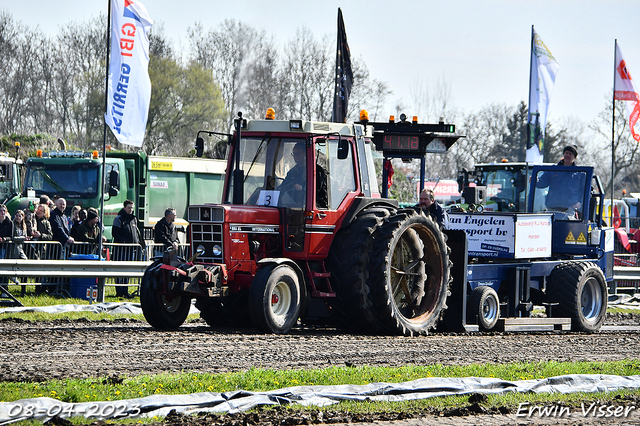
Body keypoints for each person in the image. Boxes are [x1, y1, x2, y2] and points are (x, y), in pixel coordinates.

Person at [535, 145, 583, 213]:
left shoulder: (580, 173)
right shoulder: (553, 170)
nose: (568, 155)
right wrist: (535, 180)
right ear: (563, 154)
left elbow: (585, 190)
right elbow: (543, 182)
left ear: (574, 157)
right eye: (566, 153)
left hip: (569, 210)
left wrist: (580, 202)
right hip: (552, 208)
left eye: (570, 154)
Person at [112, 200, 144, 298]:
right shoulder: (118, 219)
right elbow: (115, 233)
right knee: (119, 270)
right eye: (129, 207)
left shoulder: (134, 219)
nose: (131, 210)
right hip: (121, 250)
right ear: (124, 207)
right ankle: (119, 290)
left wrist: (140, 243)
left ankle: (125, 290)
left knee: (127, 271)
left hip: (131, 249)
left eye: (132, 208)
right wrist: (123, 241)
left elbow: (137, 233)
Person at [31, 203, 54, 294]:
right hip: (31, 247)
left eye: (41, 211)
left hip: (42, 248)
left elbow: (50, 236)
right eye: (38, 210)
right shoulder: (33, 219)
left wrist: (41, 236)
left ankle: (39, 289)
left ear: (45, 213)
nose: (38, 212)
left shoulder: (47, 223)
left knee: (40, 269)